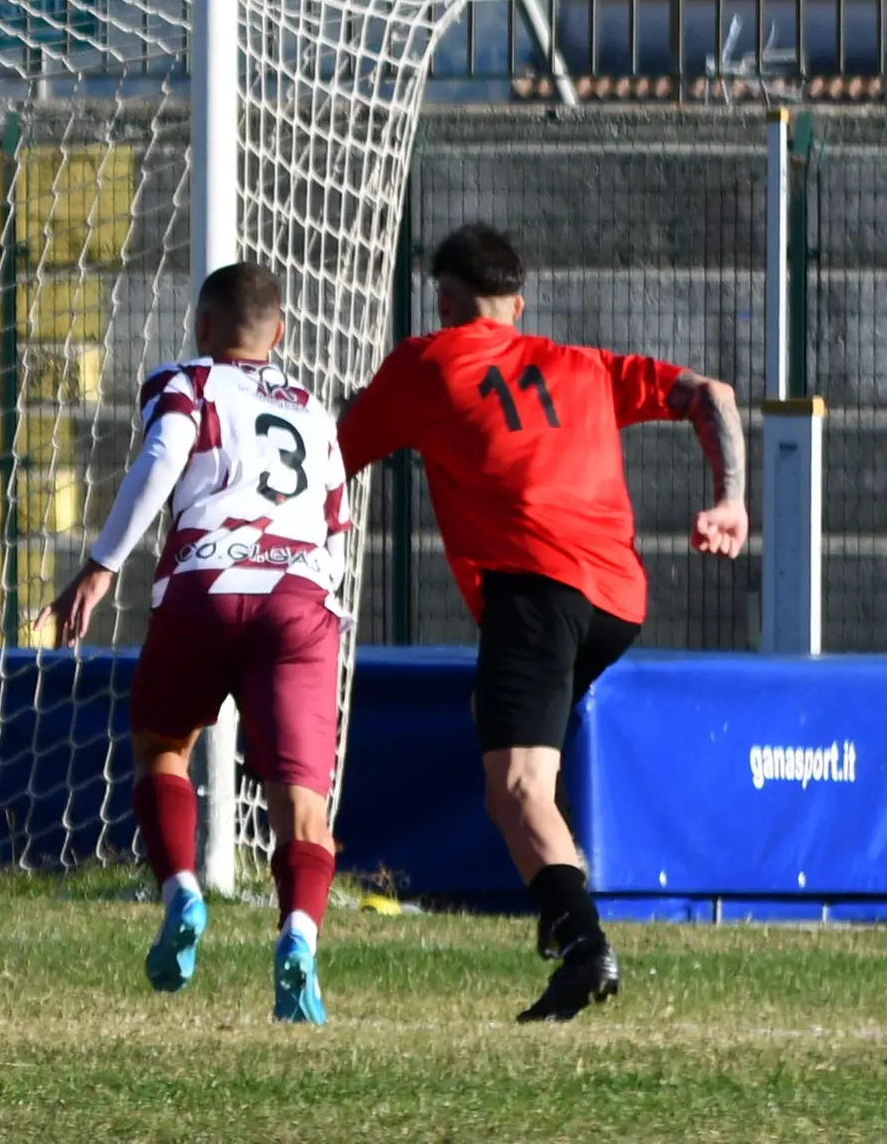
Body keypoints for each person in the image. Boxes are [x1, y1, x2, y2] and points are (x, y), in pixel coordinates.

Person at [335, 223, 745, 1025]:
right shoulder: (581, 365)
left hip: (536, 587)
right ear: (518, 304)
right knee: (515, 755)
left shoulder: (426, 360)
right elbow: (713, 395)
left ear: (444, 303)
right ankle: (565, 914)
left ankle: (582, 938)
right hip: (618, 600)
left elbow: (331, 453)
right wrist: (730, 498)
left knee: (515, 784)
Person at [45, 262, 351, 1025]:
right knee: (302, 806)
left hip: (205, 584)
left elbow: (162, 457)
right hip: (300, 598)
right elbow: (338, 524)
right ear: (279, 334)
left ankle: (180, 888)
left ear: (202, 327)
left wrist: (100, 567)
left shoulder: (186, 381)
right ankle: (299, 938)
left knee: (162, 747)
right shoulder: (314, 409)